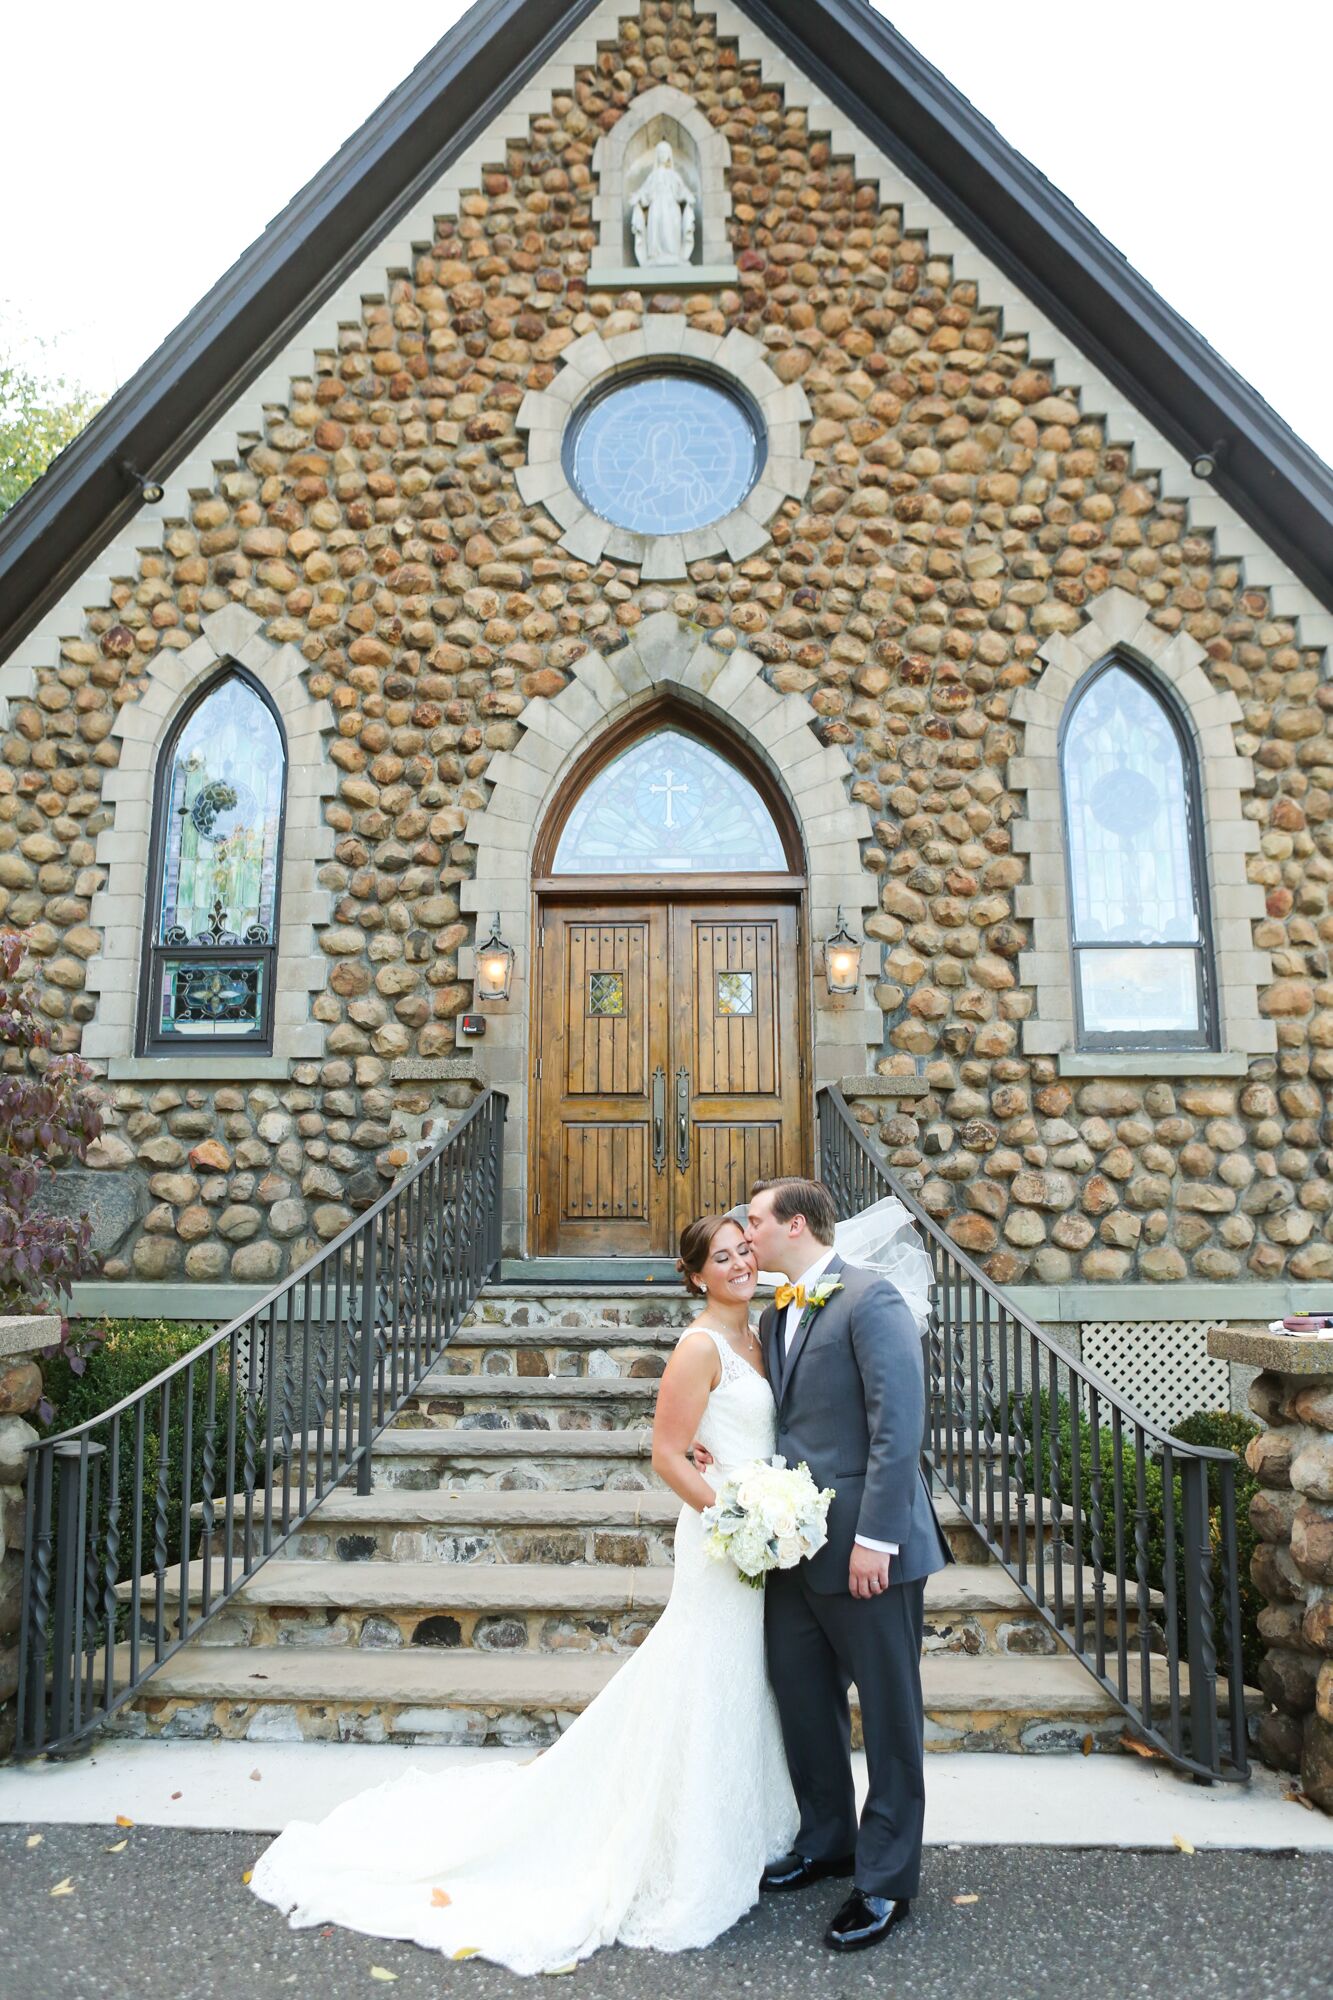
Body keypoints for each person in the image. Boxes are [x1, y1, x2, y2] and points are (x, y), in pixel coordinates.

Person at [248, 1214, 798, 1976]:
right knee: (707, 1674)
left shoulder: (765, 1337)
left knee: (741, 1678)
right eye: (722, 1257)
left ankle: (745, 1825)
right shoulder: (698, 1345)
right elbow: (667, 1455)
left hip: (765, 1528)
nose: (739, 1263)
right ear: (696, 1274)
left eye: (745, 1251)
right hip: (723, 1537)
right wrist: (734, 1517)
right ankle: (689, 1847)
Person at [743, 1176, 951, 1954]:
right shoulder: (775, 1313)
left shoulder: (871, 1300)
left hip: (870, 1549)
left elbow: (898, 1428)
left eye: (755, 1220)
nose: (746, 1233)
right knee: (800, 1696)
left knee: (890, 1714)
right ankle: (827, 1839)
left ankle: (885, 1878)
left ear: (794, 1225)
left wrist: (877, 1540)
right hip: (792, 1547)